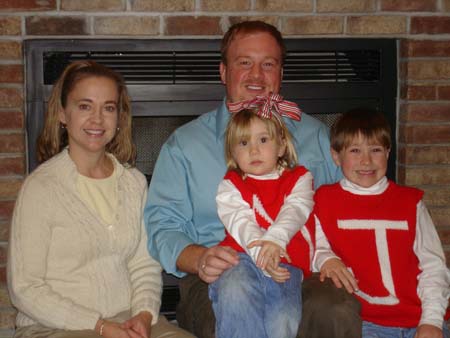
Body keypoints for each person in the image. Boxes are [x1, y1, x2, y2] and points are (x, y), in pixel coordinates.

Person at [145, 20, 360, 338]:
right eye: (244, 63)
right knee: (235, 293)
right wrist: (199, 258)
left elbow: (345, 209)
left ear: (281, 74)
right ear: (223, 72)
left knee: (336, 307)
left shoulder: (316, 137)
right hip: (219, 271)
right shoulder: (185, 145)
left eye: (268, 64)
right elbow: (161, 226)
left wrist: (330, 258)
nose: (257, 76)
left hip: (302, 266)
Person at [7, 60, 194, 338]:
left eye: (108, 108)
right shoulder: (42, 188)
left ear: (119, 117)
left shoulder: (133, 183)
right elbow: (25, 288)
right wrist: (100, 326)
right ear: (62, 113)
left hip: (125, 318)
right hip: (52, 325)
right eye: (84, 106)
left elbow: (144, 264)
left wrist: (143, 314)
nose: (97, 119)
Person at [312, 108, 450, 338]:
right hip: (366, 322)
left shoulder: (410, 202)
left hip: (421, 318)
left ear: (387, 152)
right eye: (355, 150)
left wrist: (431, 321)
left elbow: (433, 266)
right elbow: (313, 245)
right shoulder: (323, 200)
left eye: (375, 150)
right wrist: (326, 258)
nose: (366, 161)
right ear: (336, 156)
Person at [210, 95, 314, 338]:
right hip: (242, 258)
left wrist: (275, 242)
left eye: (263, 140)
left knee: (283, 318)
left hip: (286, 262)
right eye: (243, 143)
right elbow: (240, 222)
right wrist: (263, 255)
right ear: (233, 153)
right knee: (235, 291)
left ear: (281, 146)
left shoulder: (300, 178)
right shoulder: (231, 185)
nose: (254, 150)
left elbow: (296, 210)